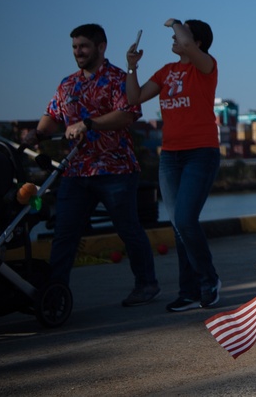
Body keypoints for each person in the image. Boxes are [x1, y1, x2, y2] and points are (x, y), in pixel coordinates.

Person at [25, 24, 159, 307]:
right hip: (75, 171)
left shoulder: (117, 79)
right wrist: (37, 133)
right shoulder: (67, 84)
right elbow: (52, 116)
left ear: (101, 47)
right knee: (64, 234)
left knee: (128, 230)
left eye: (83, 47)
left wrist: (88, 123)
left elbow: (127, 115)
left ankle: (146, 285)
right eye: (74, 47)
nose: (78, 52)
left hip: (116, 171)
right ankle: (54, 293)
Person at [126, 19, 223, 311]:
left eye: (179, 35)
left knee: (185, 220)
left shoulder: (205, 66)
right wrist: (132, 67)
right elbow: (135, 98)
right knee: (179, 225)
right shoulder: (166, 72)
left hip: (201, 153)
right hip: (170, 156)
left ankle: (209, 281)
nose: (173, 37)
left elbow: (189, 44)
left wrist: (178, 23)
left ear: (197, 43)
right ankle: (190, 292)